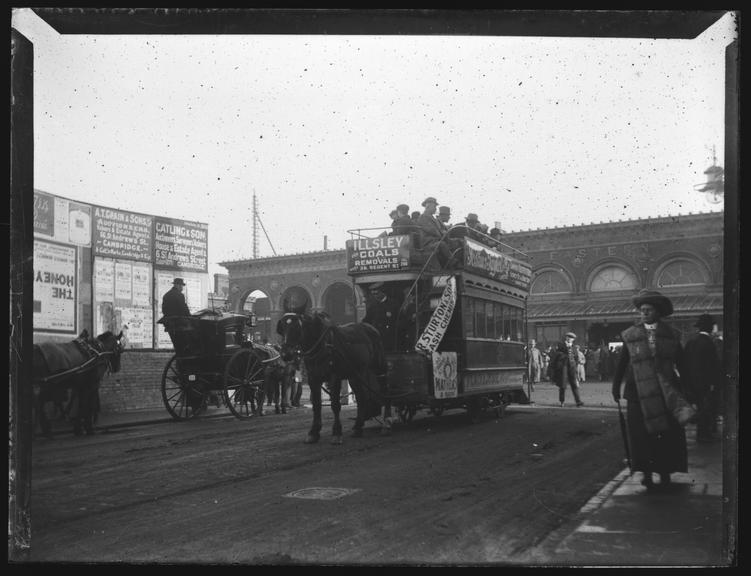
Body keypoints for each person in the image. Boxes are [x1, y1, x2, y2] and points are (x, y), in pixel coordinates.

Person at [612, 289, 688, 491]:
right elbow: (622, 364)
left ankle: (664, 473)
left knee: (664, 435)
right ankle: (646, 474)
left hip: (665, 394)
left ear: (658, 312)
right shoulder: (631, 335)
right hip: (637, 393)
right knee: (641, 436)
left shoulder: (671, 335)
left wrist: (688, 391)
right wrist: (615, 386)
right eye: (642, 310)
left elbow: (682, 365)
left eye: (648, 310)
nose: (644, 313)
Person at [683, 313, 723, 442]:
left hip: (691, 382)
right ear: (710, 327)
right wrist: (713, 382)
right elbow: (712, 366)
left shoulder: (690, 342)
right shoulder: (709, 343)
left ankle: (703, 434)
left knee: (698, 407)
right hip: (705, 383)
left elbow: (684, 363)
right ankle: (704, 434)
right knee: (706, 407)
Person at [416, 197, 453, 267]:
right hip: (428, 244)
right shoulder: (423, 217)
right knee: (442, 244)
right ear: (428, 206)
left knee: (456, 243)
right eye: (434, 206)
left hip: (434, 242)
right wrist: (443, 233)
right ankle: (453, 262)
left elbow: (437, 231)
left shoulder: (432, 218)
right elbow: (432, 231)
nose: (436, 208)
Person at [549, 332, 584, 407]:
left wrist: (575, 365)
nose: (569, 339)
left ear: (573, 340)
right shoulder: (560, 346)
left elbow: (576, 358)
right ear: (566, 338)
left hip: (572, 368)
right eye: (568, 337)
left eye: (571, 338)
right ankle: (562, 401)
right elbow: (556, 355)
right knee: (563, 385)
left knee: (574, 384)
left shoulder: (574, 347)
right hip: (563, 367)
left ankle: (578, 401)